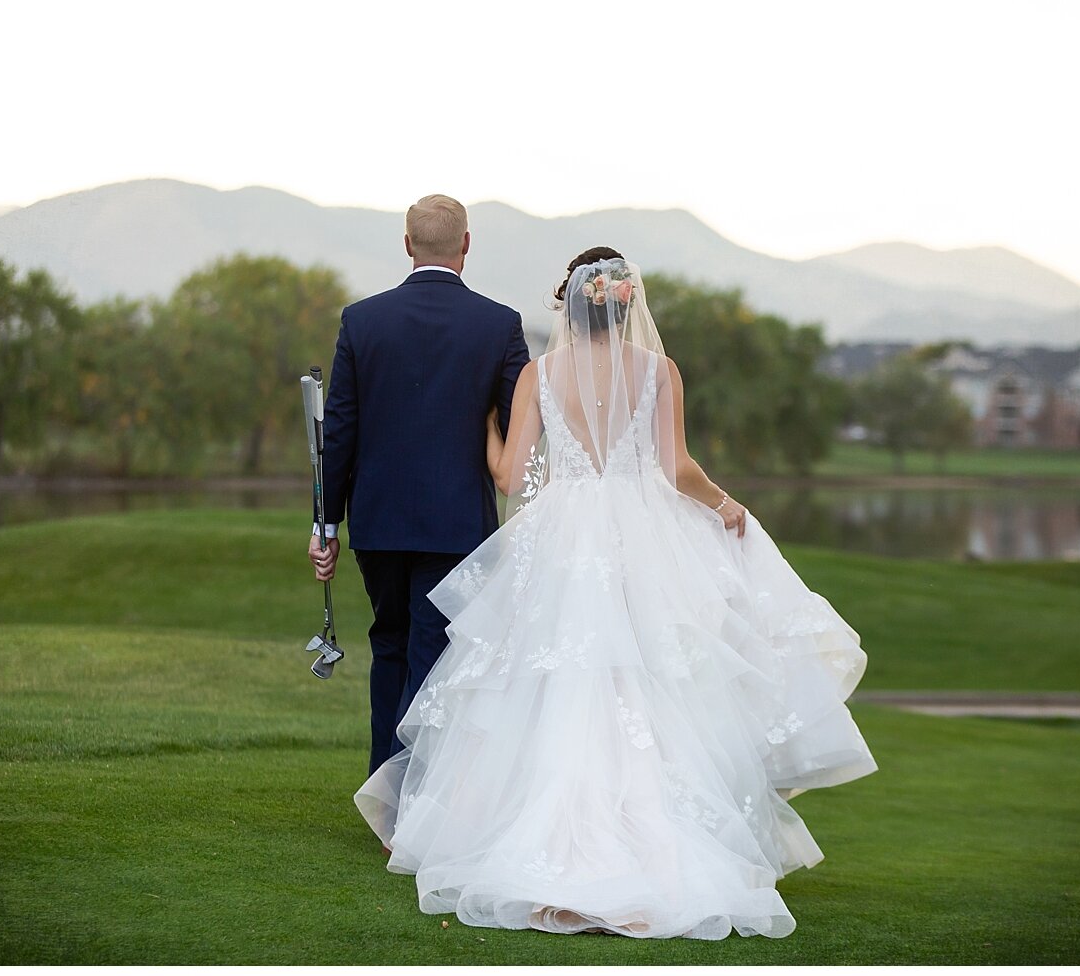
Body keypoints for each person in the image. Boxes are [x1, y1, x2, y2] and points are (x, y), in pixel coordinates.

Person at [352, 247, 878, 940]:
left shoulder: (539, 374)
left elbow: (511, 477)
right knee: (644, 685)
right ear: (626, 302)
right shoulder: (658, 371)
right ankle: (648, 846)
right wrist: (725, 505)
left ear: (567, 302)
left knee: (553, 686)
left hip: (563, 539)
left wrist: (485, 430)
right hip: (641, 538)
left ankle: (550, 847)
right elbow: (677, 467)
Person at [309, 194, 530, 778]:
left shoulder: (362, 320)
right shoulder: (500, 325)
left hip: (378, 520)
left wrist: (325, 523)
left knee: (391, 647)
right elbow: (517, 431)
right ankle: (406, 801)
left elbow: (341, 431)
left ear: (408, 244)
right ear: (466, 244)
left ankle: (388, 794)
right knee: (433, 655)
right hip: (460, 522)